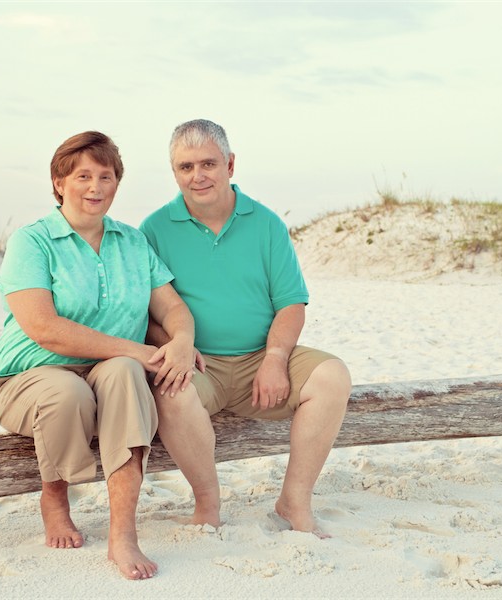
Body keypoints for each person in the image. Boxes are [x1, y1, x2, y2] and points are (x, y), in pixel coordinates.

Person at [0, 131, 197, 580]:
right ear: (59, 182)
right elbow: (46, 328)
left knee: (124, 373)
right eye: (83, 175)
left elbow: (172, 307)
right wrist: (139, 349)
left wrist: (180, 342)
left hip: (107, 373)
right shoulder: (33, 241)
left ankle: (123, 533)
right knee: (69, 391)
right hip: (32, 376)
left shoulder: (133, 242)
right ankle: (54, 495)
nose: (95, 186)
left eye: (106, 175)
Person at [139, 119, 351, 537]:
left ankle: (295, 500)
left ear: (230, 165)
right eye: (185, 167)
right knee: (170, 390)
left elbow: (291, 304)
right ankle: (208, 504)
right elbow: (149, 312)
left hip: (261, 359)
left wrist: (275, 359)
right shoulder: (153, 230)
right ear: (174, 172)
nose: (197, 176)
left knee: (333, 376)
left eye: (208, 164)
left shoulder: (266, 223)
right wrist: (174, 345)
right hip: (200, 365)